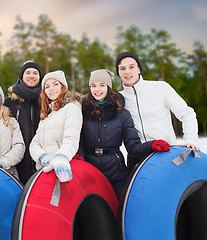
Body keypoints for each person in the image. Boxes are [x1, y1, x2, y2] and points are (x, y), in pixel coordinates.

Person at [77, 69, 170, 198]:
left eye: (102, 85)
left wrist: (151, 145)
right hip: (89, 172)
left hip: (116, 173)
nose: (97, 90)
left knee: (123, 207)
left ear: (108, 87)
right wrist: (79, 159)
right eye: (93, 86)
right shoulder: (81, 111)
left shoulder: (122, 114)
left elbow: (133, 147)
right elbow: (77, 140)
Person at [115, 52, 200, 152]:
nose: (127, 72)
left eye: (131, 67)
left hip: (166, 152)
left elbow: (187, 114)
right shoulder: (118, 99)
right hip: (140, 157)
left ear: (139, 69)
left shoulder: (160, 88)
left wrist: (190, 140)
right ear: (118, 73)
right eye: (122, 68)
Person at [29, 70, 82, 183]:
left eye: (55, 84)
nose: (51, 89)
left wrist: (61, 157)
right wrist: (42, 156)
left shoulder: (71, 108)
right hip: (45, 171)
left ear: (63, 86)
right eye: (47, 86)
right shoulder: (47, 114)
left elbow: (71, 138)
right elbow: (34, 143)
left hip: (63, 169)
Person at [4, 60, 42, 185]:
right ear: (22, 76)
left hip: (41, 162)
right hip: (17, 164)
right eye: (28, 72)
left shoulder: (46, 100)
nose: (32, 76)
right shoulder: (10, 102)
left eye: (35, 73)